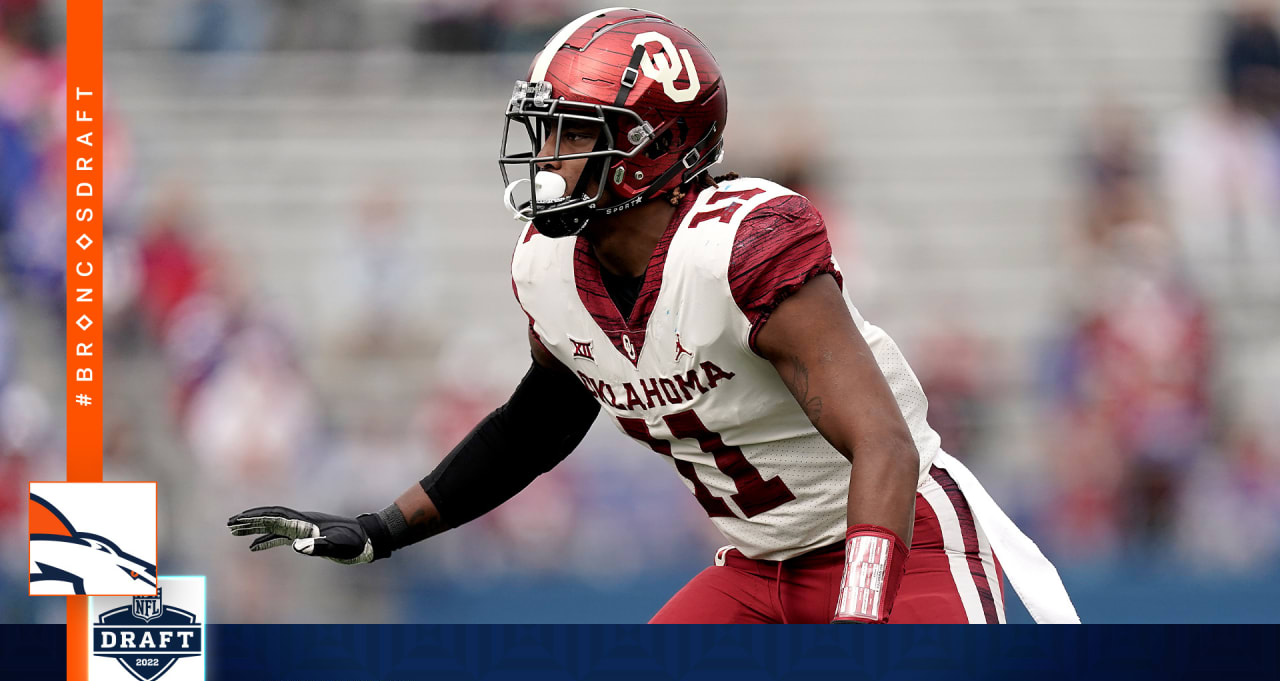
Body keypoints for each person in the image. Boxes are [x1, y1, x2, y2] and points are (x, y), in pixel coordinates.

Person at [228, 8, 1078, 624]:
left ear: (652, 150)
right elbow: (540, 421)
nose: (546, 156)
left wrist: (859, 624)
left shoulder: (740, 246)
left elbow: (885, 445)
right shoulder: (550, 264)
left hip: (896, 539)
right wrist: (382, 529)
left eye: (570, 132)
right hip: (757, 567)